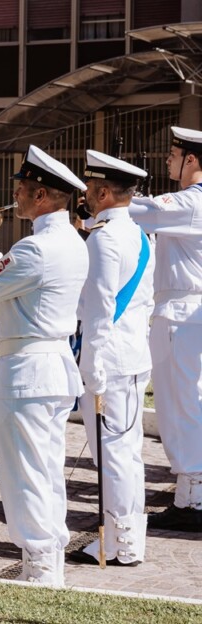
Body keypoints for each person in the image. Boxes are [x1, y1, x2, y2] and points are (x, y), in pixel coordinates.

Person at [0, 145, 88, 587]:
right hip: (50, 368)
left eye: (22, 190)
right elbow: (11, 274)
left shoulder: (36, 248)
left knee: (25, 476)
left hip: (27, 373)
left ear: (43, 196)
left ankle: (39, 568)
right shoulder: (67, 241)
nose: (15, 197)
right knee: (47, 471)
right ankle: (48, 557)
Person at [66, 150, 154, 567]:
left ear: (102, 192)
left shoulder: (103, 239)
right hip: (133, 356)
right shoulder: (138, 233)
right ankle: (130, 538)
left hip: (109, 363)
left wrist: (91, 370)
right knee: (127, 454)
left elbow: (100, 312)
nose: (84, 192)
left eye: (88, 187)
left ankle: (117, 544)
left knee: (113, 456)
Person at [127, 125, 202, 532]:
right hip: (188, 313)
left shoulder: (191, 202)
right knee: (187, 405)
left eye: (174, 155)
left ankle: (194, 503)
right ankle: (191, 496)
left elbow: (143, 211)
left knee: (182, 408)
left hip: (182, 314)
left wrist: (109, 195)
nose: (168, 161)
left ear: (192, 159)